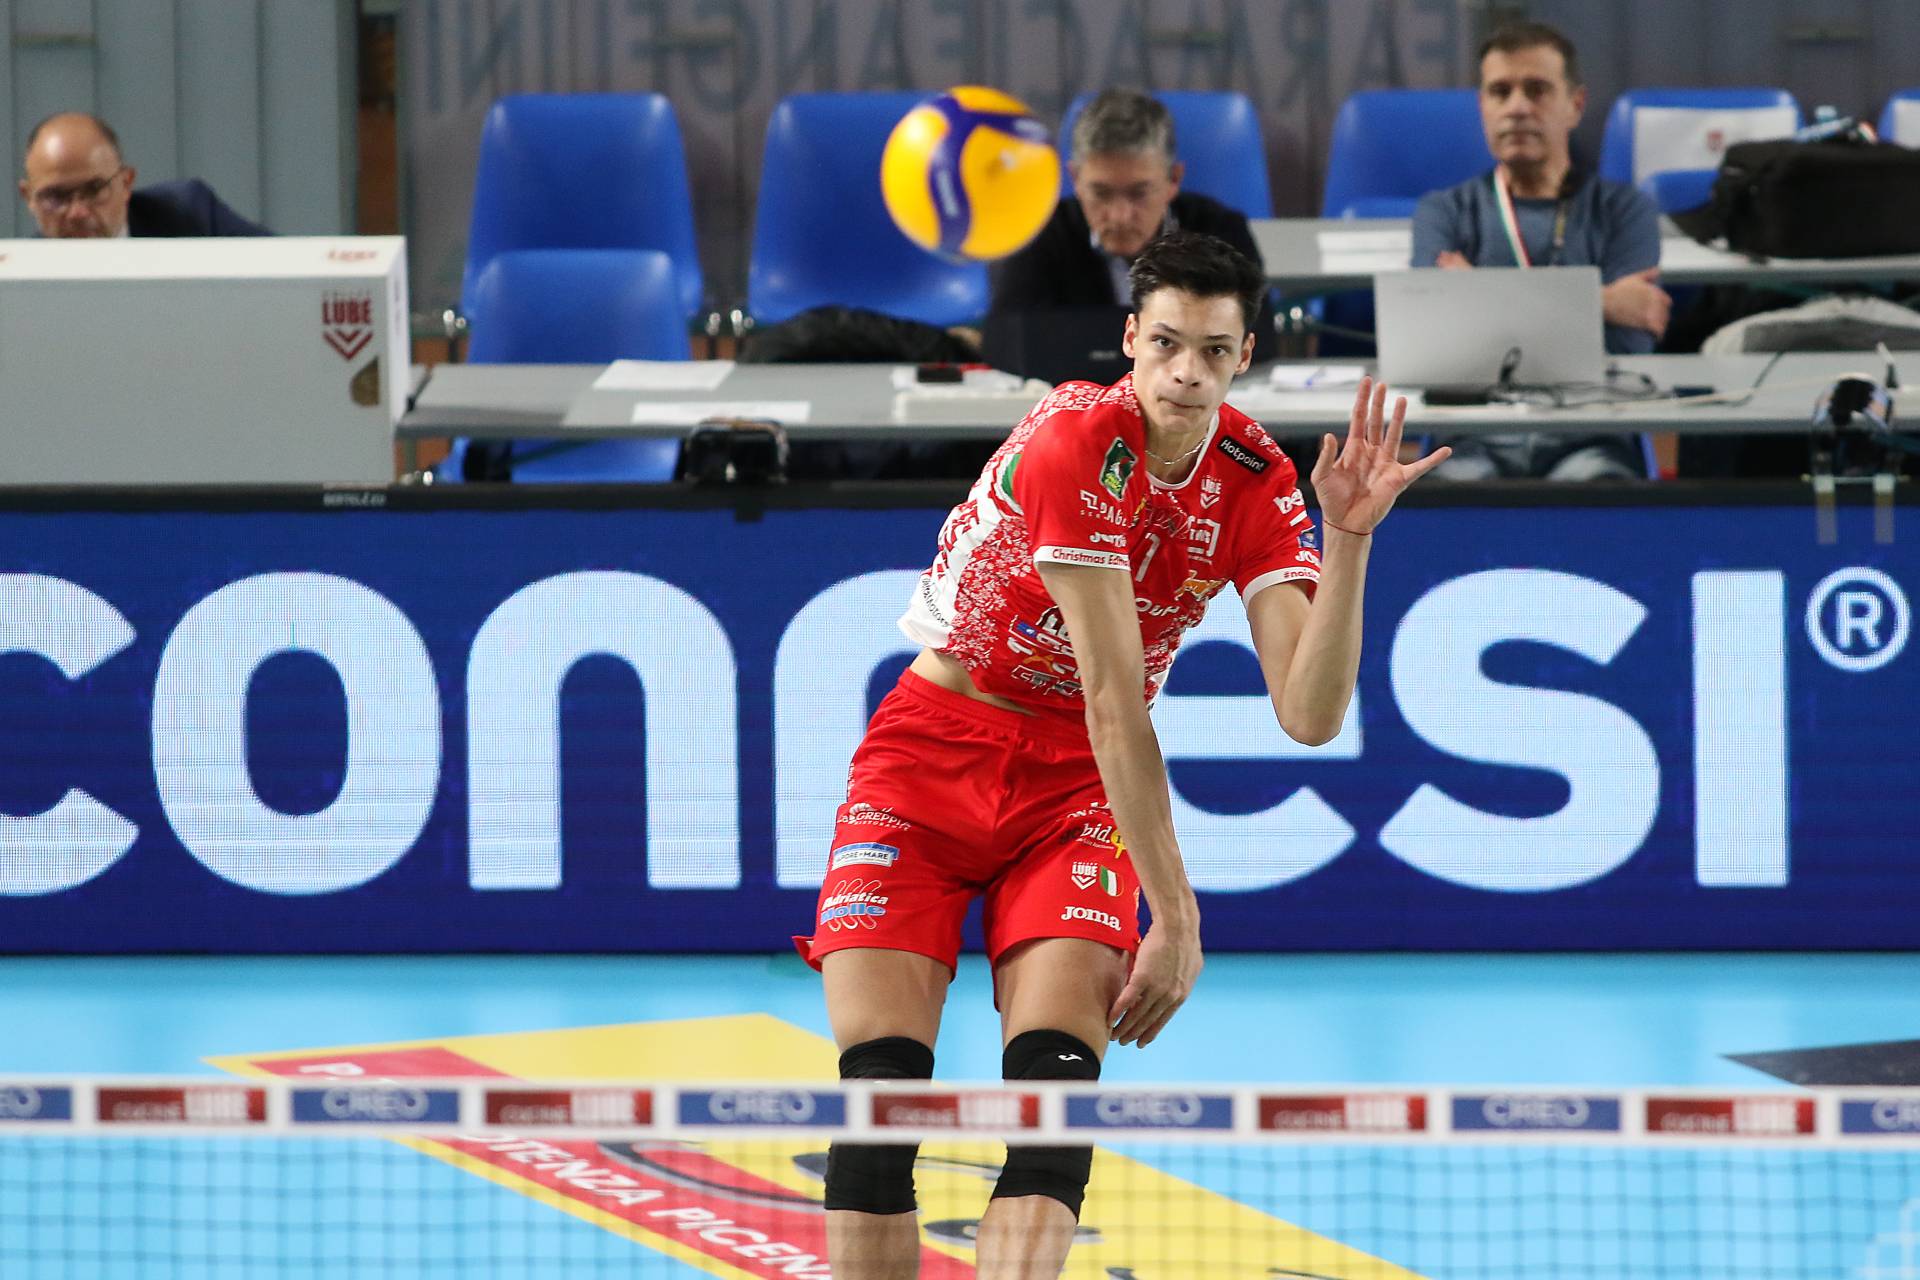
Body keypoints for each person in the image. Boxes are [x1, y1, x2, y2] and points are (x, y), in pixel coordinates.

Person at [795, 231, 1447, 1279]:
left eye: (1215, 350)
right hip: (929, 757)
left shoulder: (1256, 478)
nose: (1187, 371)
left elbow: (1311, 714)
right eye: (1168, 343)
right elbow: (1114, 697)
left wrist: (1350, 540)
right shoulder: (1075, 443)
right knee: (882, 1102)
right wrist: (1176, 916)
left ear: (1245, 356)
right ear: (1131, 339)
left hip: (1072, 790)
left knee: (1053, 1110)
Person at [1411, 21, 1662, 479]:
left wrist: (1477, 293)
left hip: (1589, 432)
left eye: (1537, 90)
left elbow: (1630, 344)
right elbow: (1437, 339)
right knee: (1448, 494)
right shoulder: (1443, 211)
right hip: (1475, 435)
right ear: (1483, 107)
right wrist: (1603, 303)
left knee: (1596, 489)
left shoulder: (1626, 210)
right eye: (1500, 92)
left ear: (1575, 105)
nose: (1518, 108)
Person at [988, 89, 1275, 343]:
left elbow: (1254, 340)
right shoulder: (1040, 235)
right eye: (1101, 193)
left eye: (1139, 193)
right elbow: (1007, 345)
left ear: (1173, 179)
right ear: (1075, 180)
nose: (1120, 216)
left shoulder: (1220, 235)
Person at [18, 112, 269, 239]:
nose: (77, 212)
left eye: (94, 190)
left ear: (126, 183)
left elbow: (283, 275)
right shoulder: (16, 279)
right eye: (55, 197)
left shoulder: (192, 216)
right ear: (28, 197)